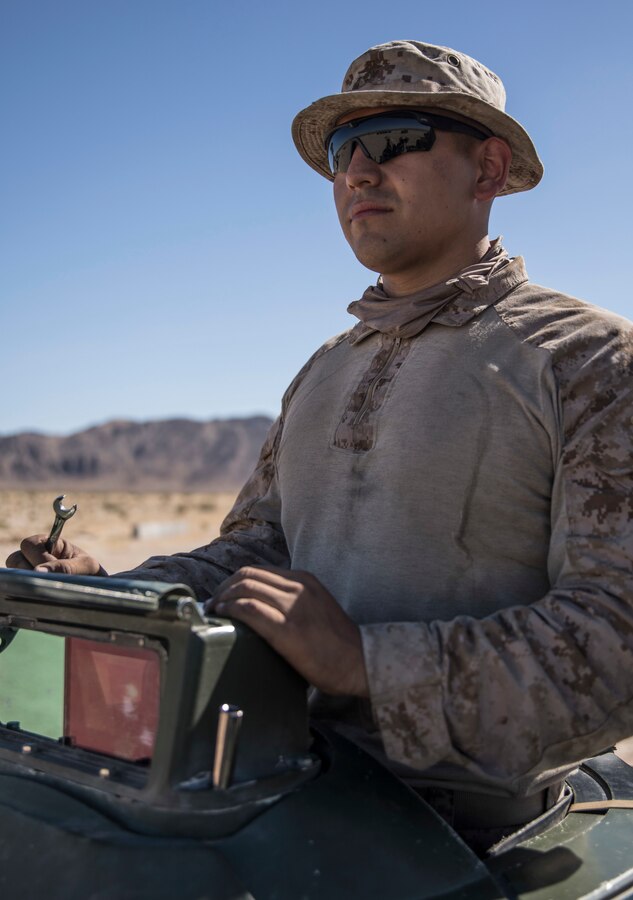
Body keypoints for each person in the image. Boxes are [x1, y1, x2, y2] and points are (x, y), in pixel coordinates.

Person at [8, 40, 633, 852]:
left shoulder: (588, 361)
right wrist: (112, 592)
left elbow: (615, 639)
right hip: (283, 785)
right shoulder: (324, 370)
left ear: (487, 169)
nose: (358, 174)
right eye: (343, 152)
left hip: (475, 831)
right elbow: (256, 552)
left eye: (394, 140)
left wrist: (370, 664)